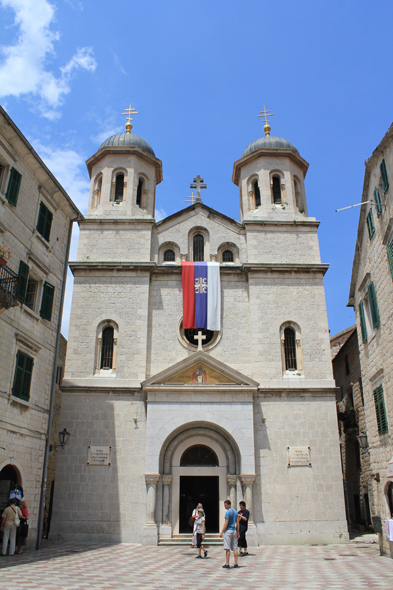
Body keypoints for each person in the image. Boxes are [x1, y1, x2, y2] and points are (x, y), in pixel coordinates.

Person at [219, 499, 239, 569]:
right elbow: (238, 523)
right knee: (235, 547)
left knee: (227, 548)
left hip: (228, 531)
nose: (224, 506)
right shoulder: (235, 512)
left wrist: (222, 532)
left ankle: (227, 563)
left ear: (229, 505)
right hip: (234, 531)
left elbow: (226, 523)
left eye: (225, 505)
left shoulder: (228, 512)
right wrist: (238, 532)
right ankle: (236, 563)